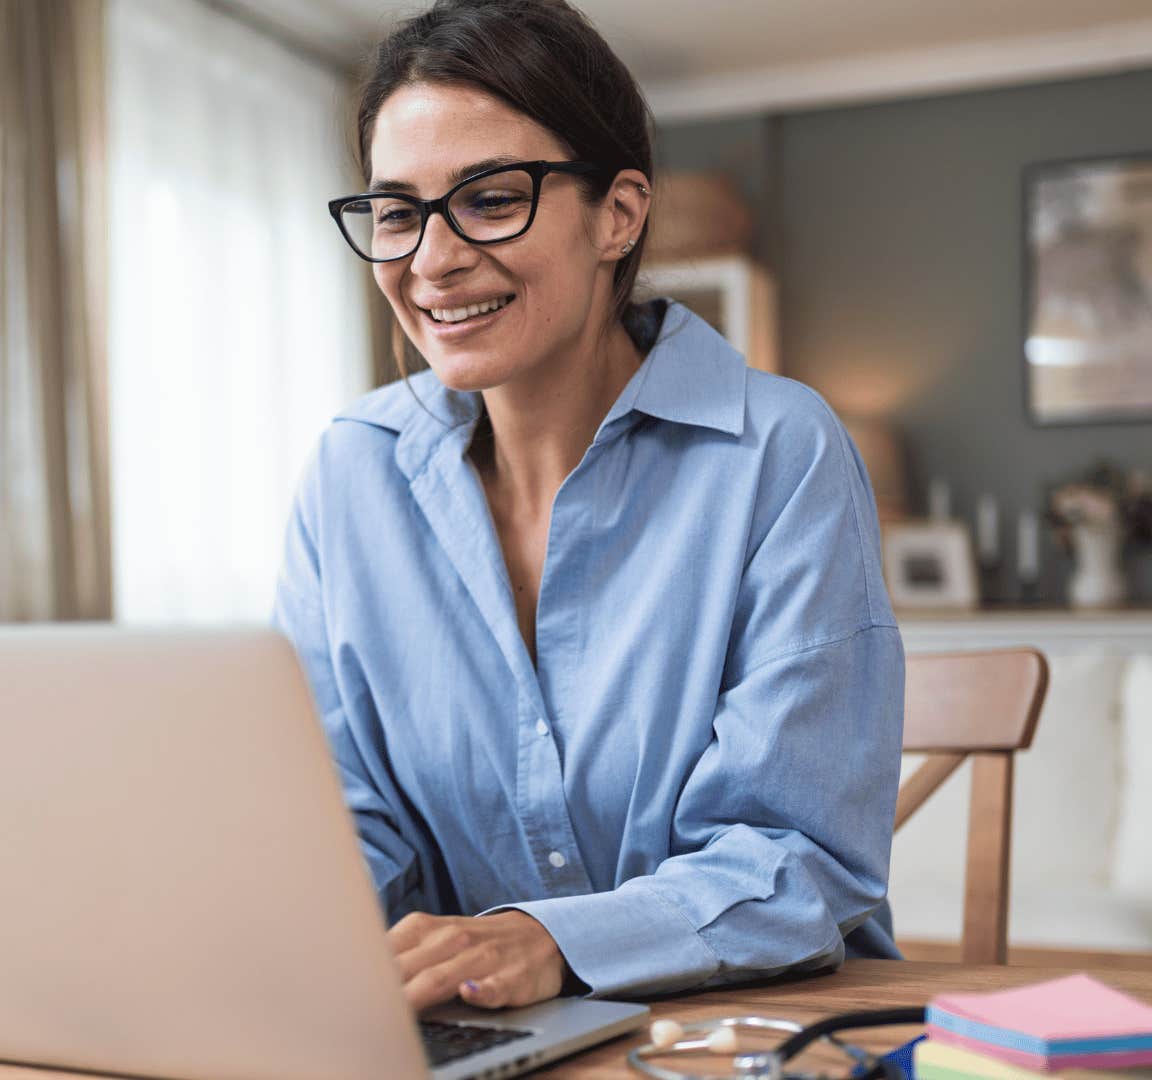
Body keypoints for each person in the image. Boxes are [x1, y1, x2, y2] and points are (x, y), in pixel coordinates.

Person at [273, 0, 903, 1014]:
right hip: (473, 1033)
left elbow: (801, 859)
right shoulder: (351, 475)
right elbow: (340, 822)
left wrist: (551, 940)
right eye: (398, 210)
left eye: (489, 198)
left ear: (619, 214)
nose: (431, 258)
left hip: (744, 1032)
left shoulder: (778, 452)